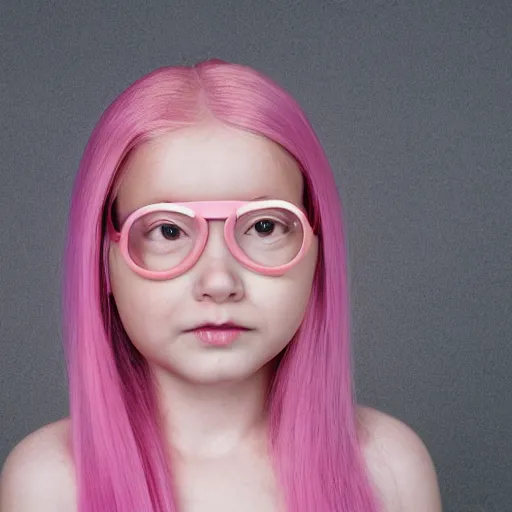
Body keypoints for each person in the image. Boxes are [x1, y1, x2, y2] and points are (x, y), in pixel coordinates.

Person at [0, 59, 442, 511]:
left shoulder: (388, 472)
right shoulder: (49, 487)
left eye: (265, 227)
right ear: (102, 258)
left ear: (316, 247)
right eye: (167, 231)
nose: (219, 282)